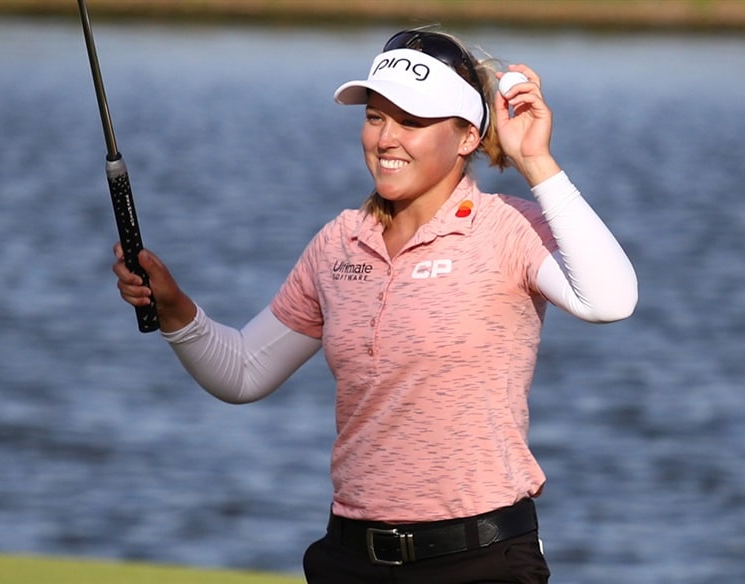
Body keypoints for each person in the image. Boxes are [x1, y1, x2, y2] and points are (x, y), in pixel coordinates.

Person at [113, 28, 637, 584]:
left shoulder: (507, 228)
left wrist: (535, 160)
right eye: (375, 117)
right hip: (351, 560)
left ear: (466, 138)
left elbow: (611, 300)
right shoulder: (339, 243)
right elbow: (244, 372)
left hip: (481, 560)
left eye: (411, 122)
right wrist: (174, 308)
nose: (386, 138)